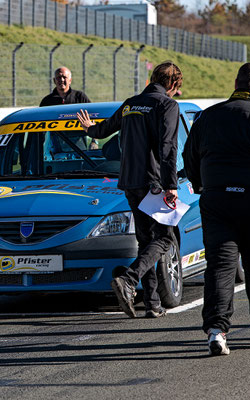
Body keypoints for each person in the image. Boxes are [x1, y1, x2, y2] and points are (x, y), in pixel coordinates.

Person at [182, 63, 250, 356]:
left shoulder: (206, 118)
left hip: (217, 203)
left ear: (236, 83)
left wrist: (202, 185)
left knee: (219, 267)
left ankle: (217, 330)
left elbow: (189, 157)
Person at [76, 61, 183, 319]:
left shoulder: (130, 103)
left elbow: (103, 131)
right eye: (176, 86)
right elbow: (168, 149)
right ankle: (128, 278)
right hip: (154, 183)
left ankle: (152, 304)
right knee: (165, 239)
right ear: (171, 83)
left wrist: (90, 128)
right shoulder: (167, 105)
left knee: (146, 240)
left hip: (129, 183)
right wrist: (171, 185)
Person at [40, 67, 98, 150]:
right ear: (54, 81)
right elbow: (40, 127)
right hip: (54, 147)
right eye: (58, 78)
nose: (62, 80)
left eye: (64, 77)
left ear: (70, 80)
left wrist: (94, 141)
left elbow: (94, 118)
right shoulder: (46, 101)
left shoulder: (80, 97)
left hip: (79, 146)